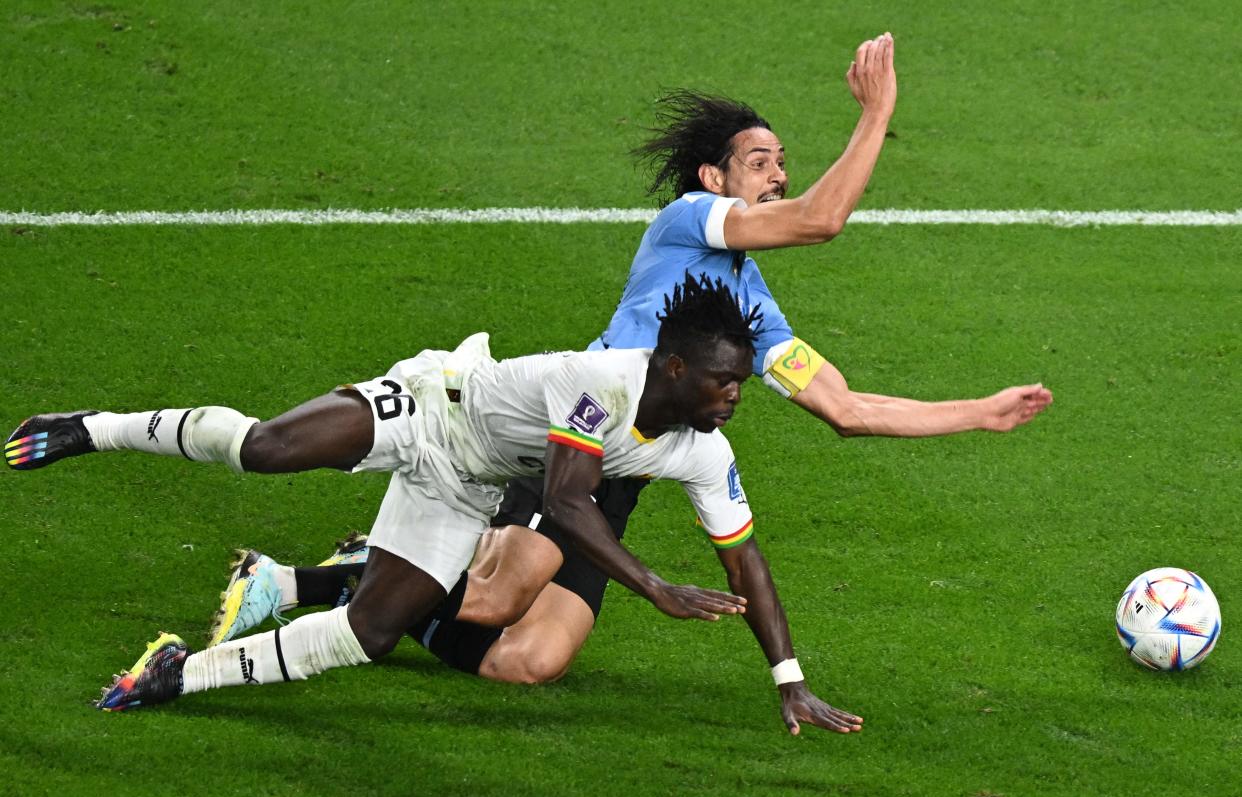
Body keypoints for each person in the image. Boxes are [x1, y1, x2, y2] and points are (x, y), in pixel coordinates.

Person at [199, 31, 1052, 710]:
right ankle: (299, 583)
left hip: (628, 476)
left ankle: (374, 574)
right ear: (715, 178)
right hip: (571, 441)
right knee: (501, 594)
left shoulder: (751, 314)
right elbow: (822, 221)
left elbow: (848, 408)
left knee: (526, 663)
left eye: (782, 164)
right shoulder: (688, 223)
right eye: (764, 162)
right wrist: (878, 114)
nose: (781, 175)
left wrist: (978, 412)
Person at [10, 276, 865, 733]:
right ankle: (97, 427)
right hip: (427, 406)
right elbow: (568, 503)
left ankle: (175, 675)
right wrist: (654, 588)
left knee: (370, 636)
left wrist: (788, 679)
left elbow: (744, 559)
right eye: (725, 379)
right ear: (675, 368)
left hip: (466, 484)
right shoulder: (602, 383)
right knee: (265, 449)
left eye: (741, 383)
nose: (735, 396)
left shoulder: (702, 449)